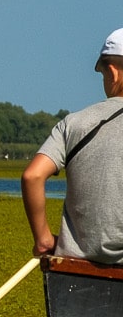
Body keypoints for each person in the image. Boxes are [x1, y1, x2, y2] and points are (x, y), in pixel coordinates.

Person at [23, 28, 123, 265]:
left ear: (112, 73)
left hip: (76, 265)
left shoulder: (73, 124)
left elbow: (32, 176)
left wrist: (43, 240)